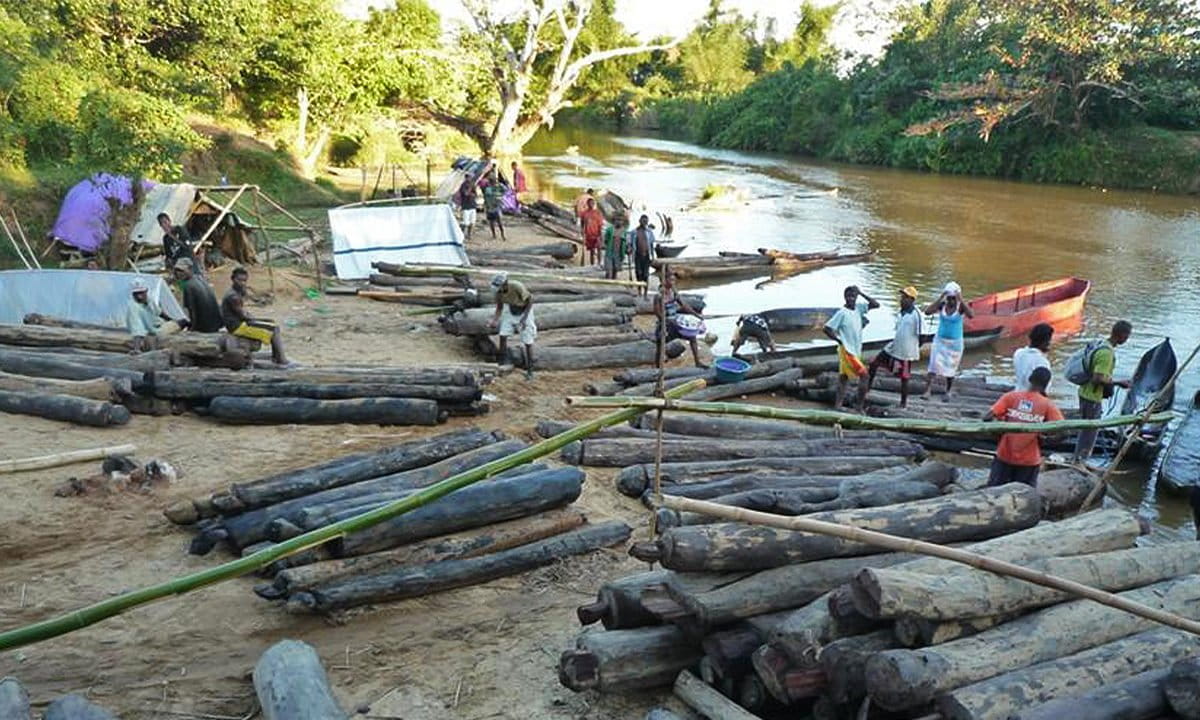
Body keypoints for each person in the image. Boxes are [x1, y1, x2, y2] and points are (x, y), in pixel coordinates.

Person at [986, 366, 1064, 487]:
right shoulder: (1047, 405)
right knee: (1025, 497)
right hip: (1029, 461)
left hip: (1004, 456)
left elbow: (987, 418)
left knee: (993, 493)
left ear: (1030, 379)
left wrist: (998, 434)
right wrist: (1044, 441)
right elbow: (1063, 431)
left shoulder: (1010, 397)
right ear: (1047, 384)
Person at [1074, 320, 1133, 463]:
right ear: (1122, 335)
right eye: (1128, 335)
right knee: (1090, 432)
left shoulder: (1100, 344)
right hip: (1092, 397)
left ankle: (1078, 459)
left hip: (1084, 392)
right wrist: (1119, 383)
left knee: (1084, 429)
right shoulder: (1107, 354)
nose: (1127, 338)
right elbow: (1097, 378)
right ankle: (1081, 461)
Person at [824, 285, 880, 412]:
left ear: (856, 297)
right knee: (865, 376)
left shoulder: (859, 309)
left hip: (855, 350)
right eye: (848, 296)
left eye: (853, 296)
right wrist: (839, 340)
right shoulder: (842, 313)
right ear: (845, 297)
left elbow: (876, 304)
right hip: (847, 351)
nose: (851, 299)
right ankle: (859, 406)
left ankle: (838, 405)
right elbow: (827, 328)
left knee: (844, 378)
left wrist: (861, 293)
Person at [221, 267, 292, 367]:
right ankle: (281, 359)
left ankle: (276, 357)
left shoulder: (236, 292)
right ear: (232, 279)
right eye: (239, 280)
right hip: (237, 327)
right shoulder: (233, 297)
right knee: (274, 329)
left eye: (244, 281)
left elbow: (245, 312)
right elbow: (244, 316)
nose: (242, 283)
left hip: (239, 323)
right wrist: (260, 320)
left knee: (271, 323)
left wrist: (262, 320)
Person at [867, 286, 922, 408]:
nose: (902, 300)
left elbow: (921, 335)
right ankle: (867, 388)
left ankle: (903, 403)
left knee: (904, 377)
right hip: (894, 346)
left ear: (912, 300)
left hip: (906, 351)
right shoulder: (901, 312)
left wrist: (913, 348)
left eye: (905, 298)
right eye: (902, 297)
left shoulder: (916, 314)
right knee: (874, 363)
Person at [922, 281, 974, 400]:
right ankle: (927, 391)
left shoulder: (960, 307)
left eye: (953, 299)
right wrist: (940, 297)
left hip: (955, 344)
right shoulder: (942, 305)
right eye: (949, 298)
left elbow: (971, 315)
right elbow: (927, 312)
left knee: (951, 367)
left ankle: (948, 391)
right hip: (940, 341)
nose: (951, 301)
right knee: (933, 365)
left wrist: (961, 299)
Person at [488, 272, 536, 380]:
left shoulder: (516, 286)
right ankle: (503, 363)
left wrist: (524, 319)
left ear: (504, 284)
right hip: (511, 310)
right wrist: (494, 320)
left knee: (528, 341)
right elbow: (499, 307)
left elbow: (530, 300)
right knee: (503, 335)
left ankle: (530, 370)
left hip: (524, 311)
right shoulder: (498, 293)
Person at [656, 269, 707, 368]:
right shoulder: (659, 295)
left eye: (674, 281)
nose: (672, 283)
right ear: (664, 280)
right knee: (660, 346)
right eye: (670, 280)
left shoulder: (673, 292)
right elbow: (657, 312)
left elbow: (684, 305)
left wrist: (696, 315)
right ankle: (658, 369)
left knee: (692, 337)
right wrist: (666, 321)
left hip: (677, 322)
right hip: (665, 324)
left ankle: (697, 362)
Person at [126, 279, 181, 353]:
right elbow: (137, 330)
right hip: (150, 333)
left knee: (182, 321)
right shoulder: (133, 308)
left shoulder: (149, 300)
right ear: (133, 294)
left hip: (158, 327)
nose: (140, 296)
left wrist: (171, 320)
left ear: (146, 291)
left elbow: (159, 312)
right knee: (151, 339)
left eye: (142, 293)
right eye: (137, 293)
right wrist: (137, 349)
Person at [172, 257, 224, 333]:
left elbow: (192, 311)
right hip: (216, 323)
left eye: (182, 271)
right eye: (177, 271)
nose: (179, 273)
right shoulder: (200, 278)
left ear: (190, 269)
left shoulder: (188, 286)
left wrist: (192, 329)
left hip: (205, 327)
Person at [1014, 323, 1054, 391]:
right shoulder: (1042, 362)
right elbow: (1045, 388)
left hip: (1018, 392)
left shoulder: (1018, 353)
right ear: (1046, 342)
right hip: (1034, 398)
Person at [631, 214, 656, 297]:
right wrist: (629, 250)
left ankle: (645, 293)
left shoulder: (649, 232)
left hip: (647, 256)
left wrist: (653, 256)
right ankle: (639, 292)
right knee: (638, 273)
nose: (644, 222)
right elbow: (631, 244)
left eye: (646, 221)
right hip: (638, 256)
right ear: (639, 221)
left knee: (646, 275)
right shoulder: (634, 232)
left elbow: (652, 245)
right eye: (643, 221)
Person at [602, 214, 630, 280]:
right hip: (610, 253)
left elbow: (627, 242)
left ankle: (612, 283)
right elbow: (605, 240)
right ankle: (607, 281)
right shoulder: (610, 230)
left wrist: (628, 248)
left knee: (615, 271)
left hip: (619, 254)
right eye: (617, 220)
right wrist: (604, 245)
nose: (618, 222)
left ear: (623, 222)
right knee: (609, 271)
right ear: (614, 221)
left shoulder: (625, 232)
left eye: (620, 220)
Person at [580, 197, 605, 266]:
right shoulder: (584, 213)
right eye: (590, 203)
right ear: (587, 204)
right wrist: (582, 232)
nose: (591, 204)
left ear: (594, 204)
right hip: (588, 234)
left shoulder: (598, 213)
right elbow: (582, 223)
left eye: (593, 203)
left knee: (599, 249)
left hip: (596, 234)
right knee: (592, 250)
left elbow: (600, 225)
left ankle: (599, 263)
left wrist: (601, 235)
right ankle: (592, 264)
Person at [483, 175, 507, 240]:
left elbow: (505, 190)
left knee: (494, 222)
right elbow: (487, 198)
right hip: (493, 207)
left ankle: (498, 235)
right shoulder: (491, 188)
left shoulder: (495, 187)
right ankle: (501, 235)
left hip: (493, 207)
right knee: (497, 222)